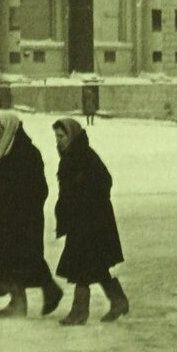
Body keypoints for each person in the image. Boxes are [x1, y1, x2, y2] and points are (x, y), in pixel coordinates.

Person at [0, 112, 62, 319]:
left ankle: (43, 293)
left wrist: (21, 209)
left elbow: (40, 188)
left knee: (24, 257)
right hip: (4, 215)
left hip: (22, 216)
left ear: (12, 128)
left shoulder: (27, 152)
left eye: (1, 128)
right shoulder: (1, 149)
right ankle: (22, 301)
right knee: (11, 258)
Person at [52, 118, 128, 325]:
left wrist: (86, 199)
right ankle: (118, 300)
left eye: (62, 136)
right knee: (96, 264)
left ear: (72, 135)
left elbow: (105, 180)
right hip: (82, 220)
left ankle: (79, 312)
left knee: (81, 266)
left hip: (92, 220)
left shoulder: (85, 155)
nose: (58, 141)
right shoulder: (69, 157)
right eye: (57, 137)